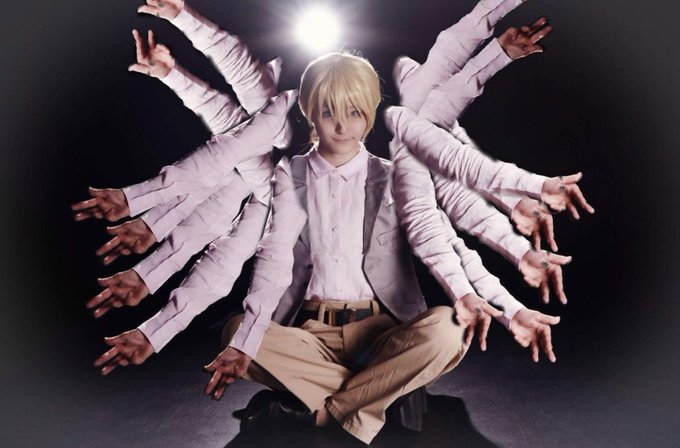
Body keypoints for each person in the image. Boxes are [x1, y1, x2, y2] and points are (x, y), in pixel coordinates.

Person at [203, 42, 591, 443]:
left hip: (384, 335)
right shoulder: (289, 175)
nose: (342, 126)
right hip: (311, 334)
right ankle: (381, 394)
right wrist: (246, 340)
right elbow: (273, 256)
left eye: (354, 112)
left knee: (451, 327)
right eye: (328, 112)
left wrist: (512, 312)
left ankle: (322, 414)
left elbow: (452, 247)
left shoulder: (395, 177)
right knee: (237, 330)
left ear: (370, 113)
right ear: (309, 111)